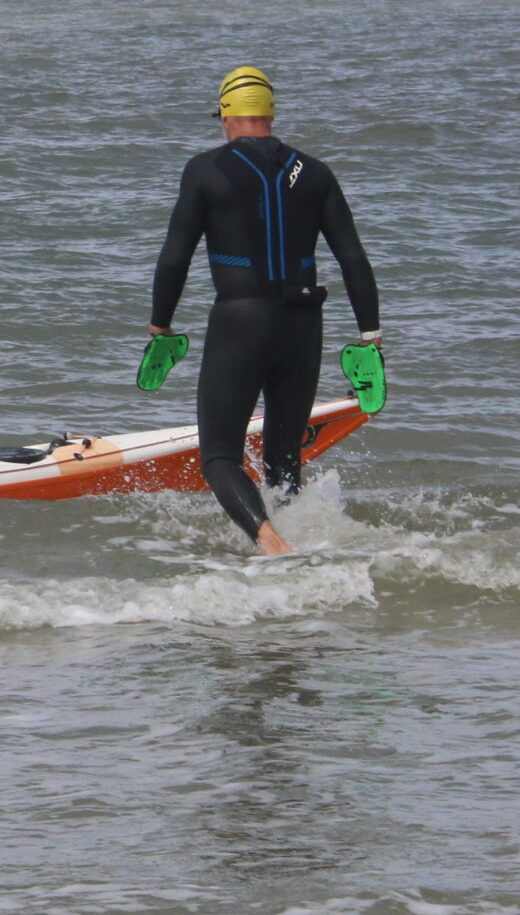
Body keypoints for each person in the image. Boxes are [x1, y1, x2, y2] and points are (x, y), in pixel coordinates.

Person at [148, 66, 381, 555]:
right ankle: (299, 544)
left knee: (219, 457)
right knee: (284, 456)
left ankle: (272, 543)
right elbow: (353, 258)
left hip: (240, 320)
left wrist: (161, 324)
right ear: (270, 113)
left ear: (225, 115)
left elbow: (174, 257)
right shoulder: (315, 172)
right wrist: (369, 337)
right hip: (304, 322)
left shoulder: (205, 170)